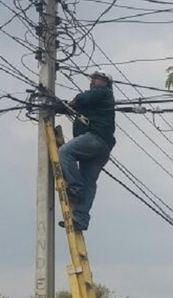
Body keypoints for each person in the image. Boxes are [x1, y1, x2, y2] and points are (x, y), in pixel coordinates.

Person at [56, 70, 116, 231]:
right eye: (93, 78)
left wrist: (74, 101)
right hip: (102, 148)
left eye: (98, 79)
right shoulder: (96, 102)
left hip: (95, 139)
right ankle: (81, 219)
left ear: (106, 82)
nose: (94, 81)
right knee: (89, 181)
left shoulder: (103, 92)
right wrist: (64, 106)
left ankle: (75, 188)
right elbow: (77, 105)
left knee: (64, 152)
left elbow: (83, 98)